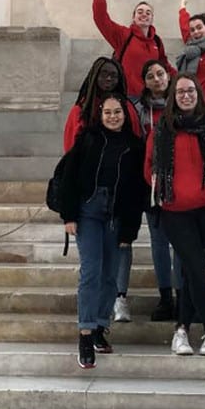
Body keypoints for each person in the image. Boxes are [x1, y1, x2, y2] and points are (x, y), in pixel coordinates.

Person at [57, 96, 148, 370]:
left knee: (110, 275)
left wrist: (130, 229)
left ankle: (99, 325)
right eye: (107, 112)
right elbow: (70, 176)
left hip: (116, 215)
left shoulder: (134, 145)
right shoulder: (88, 138)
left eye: (117, 112)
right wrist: (69, 216)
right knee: (91, 271)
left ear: (125, 114)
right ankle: (85, 333)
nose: (112, 117)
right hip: (89, 211)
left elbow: (137, 191)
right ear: (101, 114)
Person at [146, 73, 205, 356]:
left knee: (190, 271)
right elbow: (149, 166)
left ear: (198, 93)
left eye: (190, 90)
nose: (186, 95)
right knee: (195, 268)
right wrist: (164, 190)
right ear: (173, 95)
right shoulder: (163, 127)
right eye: (180, 91)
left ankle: (181, 330)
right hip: (175, 211)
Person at [129, 59, 178, 322]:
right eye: (151, 76)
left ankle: (184, 294)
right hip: (151, 183)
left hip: (181, 182)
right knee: (159, 242)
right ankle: (165, 296)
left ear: (168, 76)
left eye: (160, 74)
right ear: (145, 82)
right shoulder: (139, 109)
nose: (157, 79)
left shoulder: (180, 102)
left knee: (181, 242)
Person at [93, 0, 171, 92]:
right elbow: (101, 19)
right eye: (140, 12)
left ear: (152, 19)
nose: (144, 14)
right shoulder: (123, 35)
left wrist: (181, 79)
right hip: (128, 96)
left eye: (148, 13)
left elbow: (165, 65)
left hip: (151, 96)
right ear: (133, 18)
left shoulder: (156, 41)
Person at [63, 56, 141, 153]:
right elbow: (71, 149)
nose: (108, 78)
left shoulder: (127, 108)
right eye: (104, 74)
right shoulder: (81, 109)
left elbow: (136, 140)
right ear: (95, 76)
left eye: (113, 75)